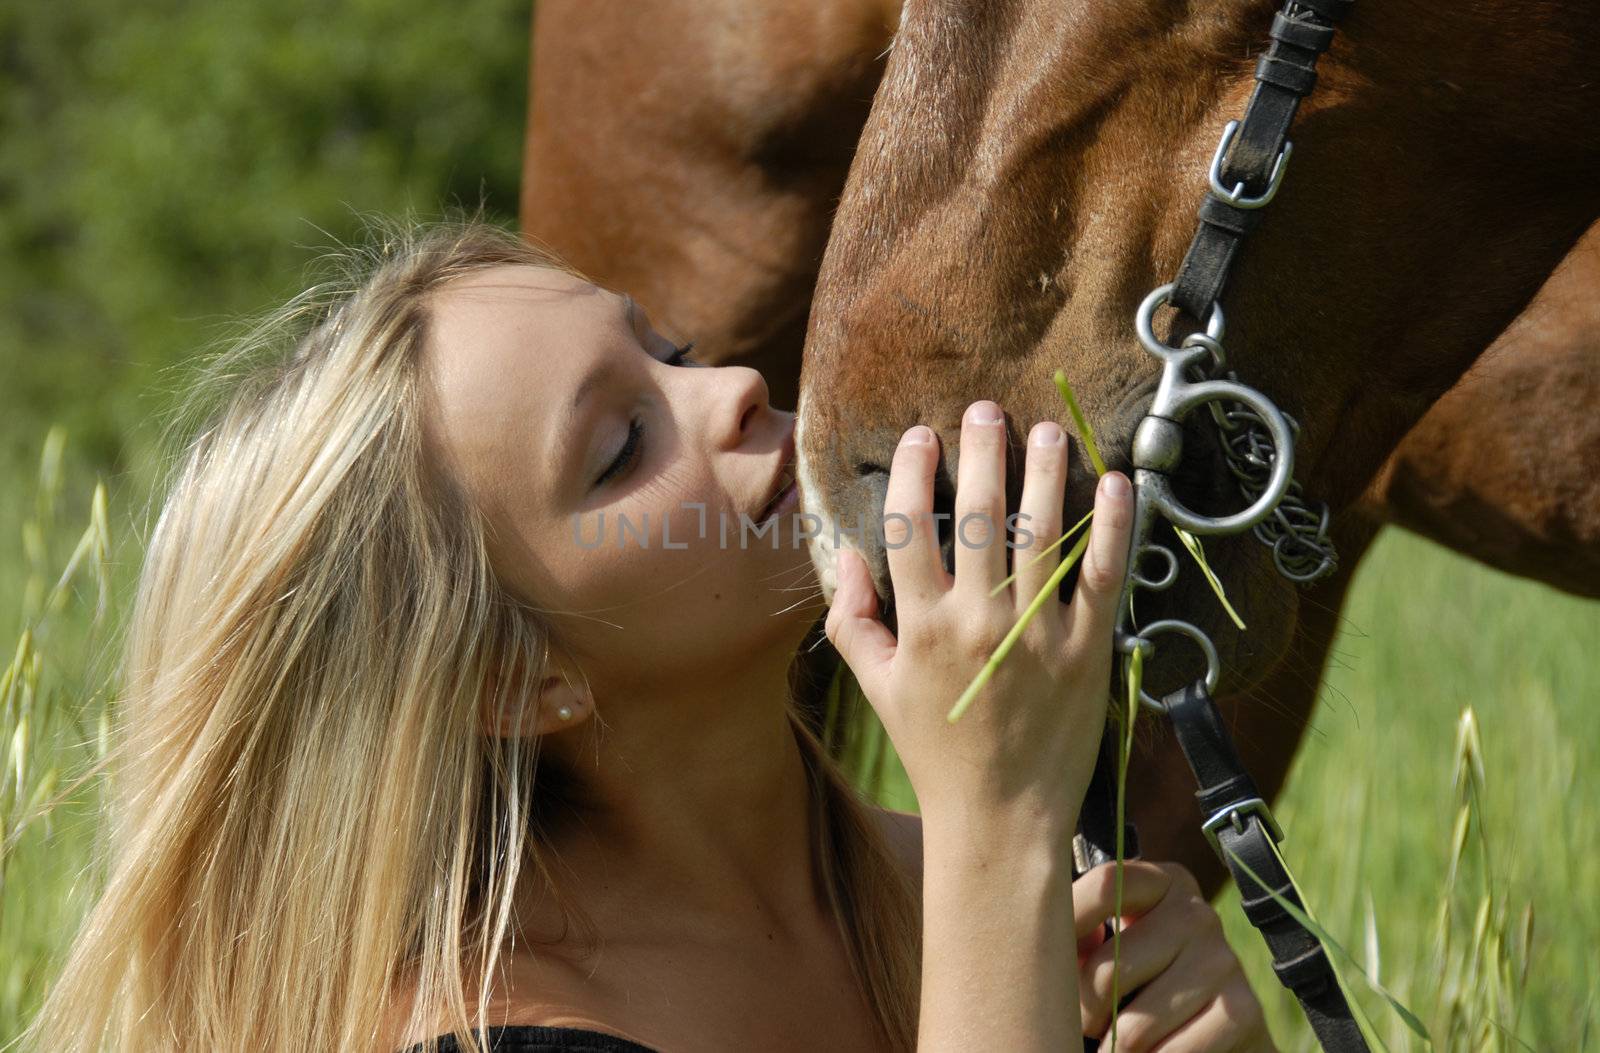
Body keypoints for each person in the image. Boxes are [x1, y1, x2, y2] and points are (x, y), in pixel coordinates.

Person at [28, 218, 1273, 1052]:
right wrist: (998, 823)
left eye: (664, 349)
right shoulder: (489, 1033)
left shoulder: (986, 893)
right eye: (621, 447)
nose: (729, 388)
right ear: (517, 678)